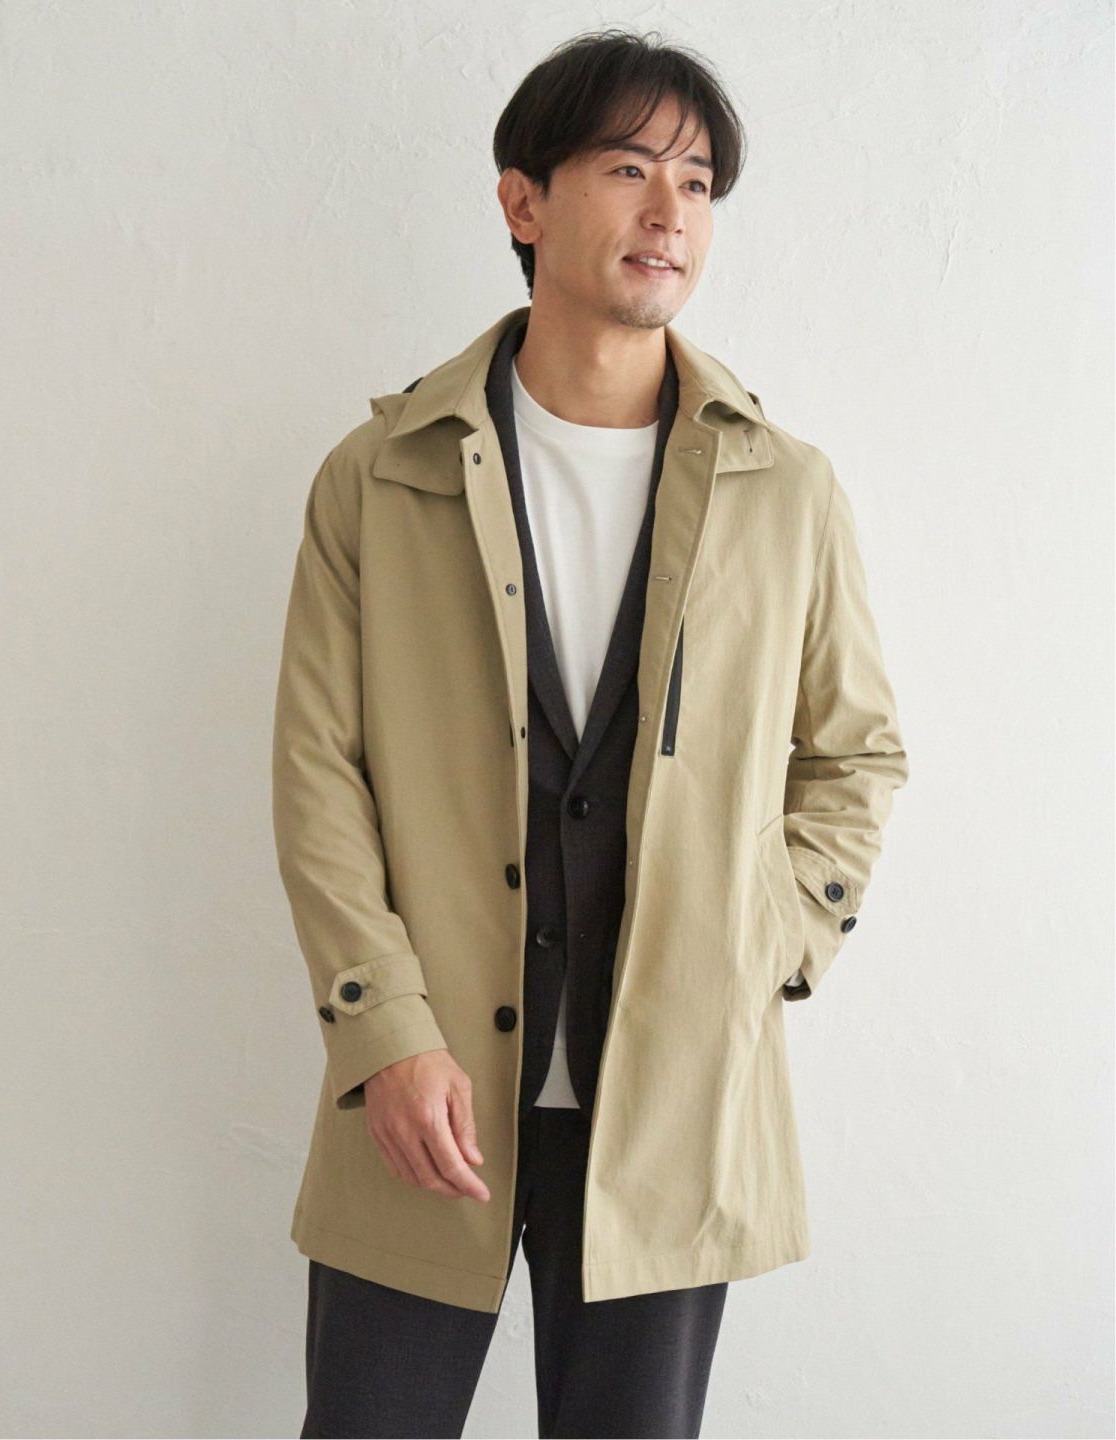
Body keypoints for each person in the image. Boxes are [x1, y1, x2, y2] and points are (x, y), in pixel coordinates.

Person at [271, 25, 909, 1439]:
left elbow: (855, 755)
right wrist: (384, 1033)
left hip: (675, 1100)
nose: (670, 210)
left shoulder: (785, 489)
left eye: (698, 181)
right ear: (524, 201)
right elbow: (319, 776)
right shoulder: (380, 479)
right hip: (425, 1088)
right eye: (629, 168)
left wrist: (766, 942)